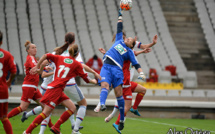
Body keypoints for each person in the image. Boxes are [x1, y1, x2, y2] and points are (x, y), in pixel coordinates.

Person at [23, 44, 98, 134]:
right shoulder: (76, 64)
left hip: (57, 89)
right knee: (46, 112)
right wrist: (94, 81)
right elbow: (86, 79)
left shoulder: (60, 58)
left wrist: (38, 67)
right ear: (77, 54)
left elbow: (45, 56)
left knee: (72, 107)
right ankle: (27, 132)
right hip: (55, 90)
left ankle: (56, 127)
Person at [98, 9, 146, 131]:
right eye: (128, 38)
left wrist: (141, 73)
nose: (128, 38)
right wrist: (120, 15)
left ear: (131, 45)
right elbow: (119, 27)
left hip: (117, 71)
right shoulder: (119, 39)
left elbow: (136, 63)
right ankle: (102, 105)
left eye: (130, 40)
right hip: (107, 66)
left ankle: (121, 121)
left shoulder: (129, 52)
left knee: (119, 96)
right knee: (104, 85)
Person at [94, 33, 158, 113]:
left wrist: (153, 43)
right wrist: (105, 53)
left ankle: (108, 111)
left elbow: (142, 48)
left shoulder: (130, 43)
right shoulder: (120, 45)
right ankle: (103, 107)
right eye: (123, 37)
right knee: (112, 90)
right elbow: (116, 56)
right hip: (122, 75)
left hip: (127, 77)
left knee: (115, 92)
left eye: (125, 37)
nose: (125, 39)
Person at [7, 40, 44, 119]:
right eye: (32, 48)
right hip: (29, 86)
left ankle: (53, 127)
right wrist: (44, 65)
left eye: (35, 47)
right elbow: (36, 68)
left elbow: (36, 67)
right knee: (23, 108)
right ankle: (4, 119)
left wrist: (44, 67)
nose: (35, 49)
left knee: (45, 106)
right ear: (28, 50)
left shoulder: (32, 58)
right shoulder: (30, 58)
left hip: (33, 87)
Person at [0, 30, 17, 134]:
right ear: (1, 42)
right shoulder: (7, 55)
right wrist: (9, 81)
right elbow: (14, 71)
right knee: (4, 118)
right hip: (2, 90)